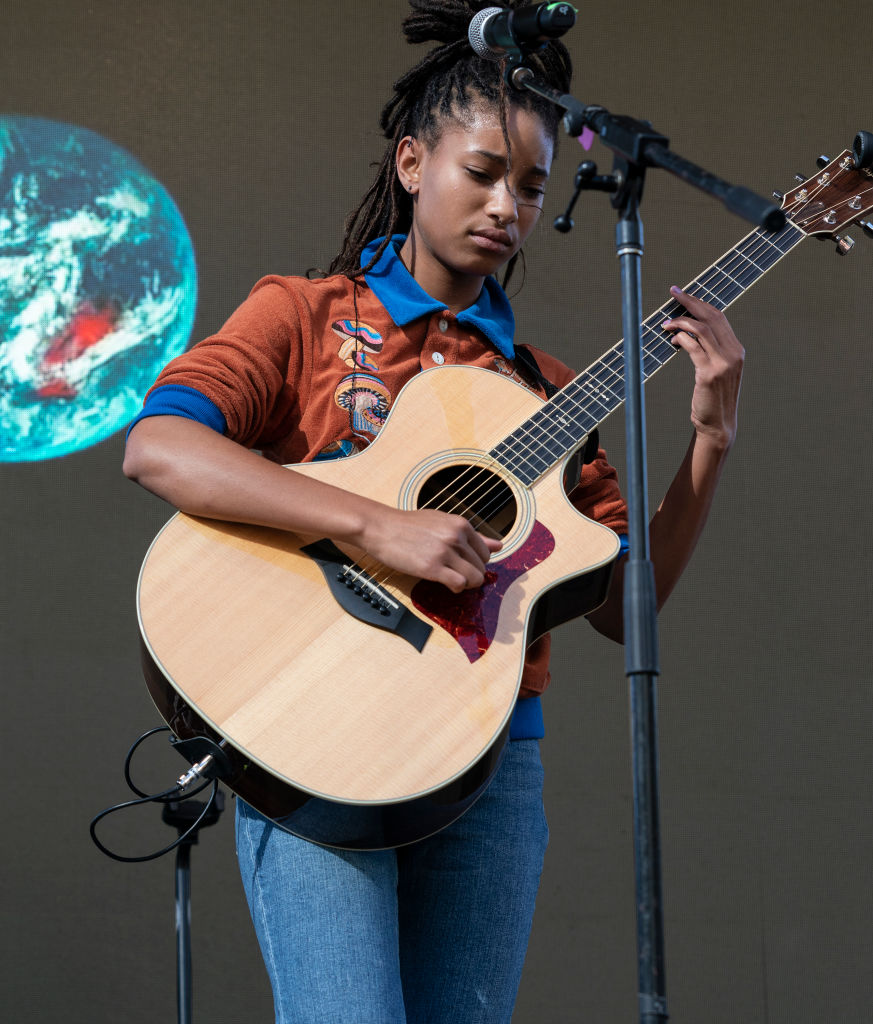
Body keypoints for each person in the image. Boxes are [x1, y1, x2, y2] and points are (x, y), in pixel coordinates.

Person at [123, 2, 744, 1021]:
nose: (509, 204)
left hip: (488, 759)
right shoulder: (305, 312)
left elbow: (629, 608)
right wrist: (376, 523)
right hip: (313, 716)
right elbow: (160, 448)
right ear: (413, 164)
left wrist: (710, 435)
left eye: (534, 186)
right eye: (484, 172)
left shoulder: (547, 393)